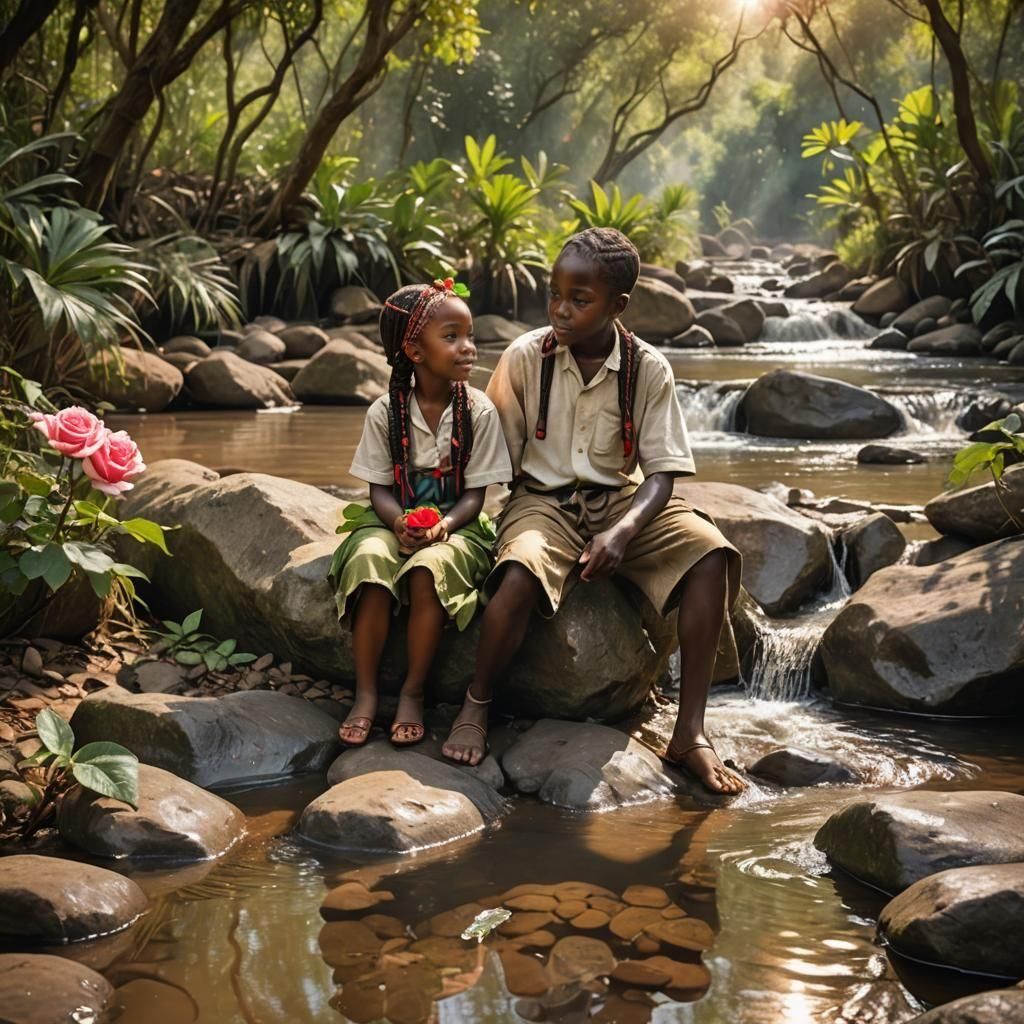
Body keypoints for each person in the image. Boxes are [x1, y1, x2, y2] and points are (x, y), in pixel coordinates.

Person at [441, 228, 746, 795]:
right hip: (542, 500)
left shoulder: (648, 368)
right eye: (555, 294)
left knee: (710, 556)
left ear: (618, 306)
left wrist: (625, 533)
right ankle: (476, 705)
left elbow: (663, 473)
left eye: (580, 300)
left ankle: (690, 734)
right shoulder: (524, 358)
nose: (560, 309)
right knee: (518, 570)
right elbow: (492, 458)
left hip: (625, 502)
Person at [328, 278, 512, 747]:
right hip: (394, 517)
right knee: (370, 560)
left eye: (469, 335)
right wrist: (397, 523)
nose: (468, 348)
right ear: (413, 350)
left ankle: (412, 691)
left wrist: (444, 527)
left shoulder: (479, 411)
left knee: (429, 570)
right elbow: (379, 491)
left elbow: (476, 497)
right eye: (451, 337)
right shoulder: (385, 412)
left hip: (458, 525)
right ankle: (366, 692)